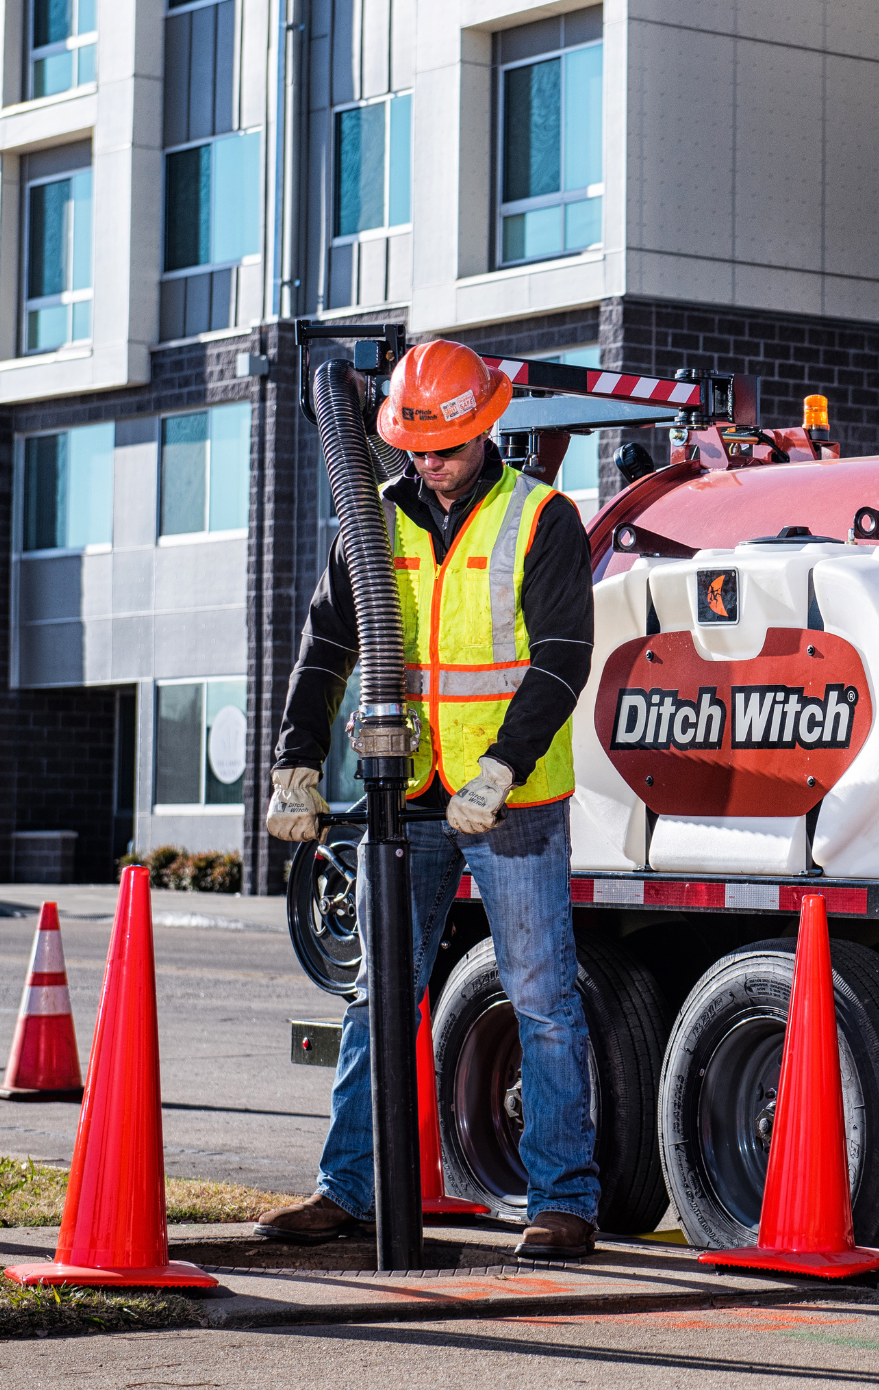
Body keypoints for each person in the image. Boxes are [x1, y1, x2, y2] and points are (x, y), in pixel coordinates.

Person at [257, 340, 600, 1258]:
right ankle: (349, 1189)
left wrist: (502, 770)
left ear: (485, 426)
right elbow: (327, 647)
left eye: (442, 447)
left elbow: (564, 655)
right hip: (401, 792)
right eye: (413, 447)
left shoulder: (541, 519)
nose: (426, 464)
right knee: (378, 994)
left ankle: (563, 1200)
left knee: (541, 999)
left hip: (511, 799)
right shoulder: (372, 522)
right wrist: (294, 761)